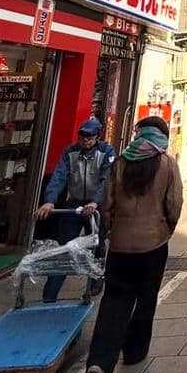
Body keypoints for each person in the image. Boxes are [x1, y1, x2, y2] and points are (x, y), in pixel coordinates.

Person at [85, 120, 183, 373]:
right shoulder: (166, 163)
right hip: (153, 243)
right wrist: (167, 227)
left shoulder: (120, 162)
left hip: (120, 245)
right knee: (146, 297)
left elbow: (107, 204)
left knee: (114, 301)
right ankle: (134, 351)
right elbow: (174, 203)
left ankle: (100, 363)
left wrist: (113, 227)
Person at [36, 118, 115, 302]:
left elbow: (107, 180)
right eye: (82, 137)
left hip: (96, 207)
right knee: (65, 247)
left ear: (97, 138)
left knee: (96, 244)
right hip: (75, 204)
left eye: (89, 138)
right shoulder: (70, 152)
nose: (85, 141)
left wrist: (96, 202)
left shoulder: (107, 152)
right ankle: (50, 294)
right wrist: (50, 201)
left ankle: (96, 278)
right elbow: (59, 176)